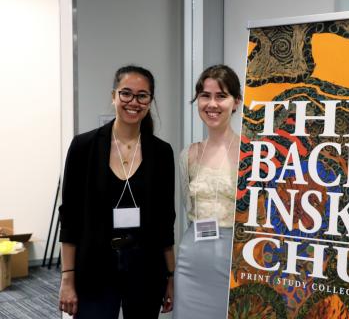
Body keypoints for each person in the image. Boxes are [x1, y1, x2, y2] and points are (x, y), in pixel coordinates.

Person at [58, 65, 176, 319]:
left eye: (142, 95)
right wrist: (67, 278)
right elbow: (70, 218)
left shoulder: (162, 152)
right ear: (114, 96)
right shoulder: (83, 147)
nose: (133, 102)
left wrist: (170, 276)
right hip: (95, 266)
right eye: (126, 93)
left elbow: (166, 221)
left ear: (150, 101)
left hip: (146, 268)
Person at [173, 64, 242, 319]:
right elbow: (188, 207)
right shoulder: (188, 155)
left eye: (221, 96)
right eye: (205, 95)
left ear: (235, 102)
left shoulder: (251, 153)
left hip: (236, 258)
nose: (212, 104)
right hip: (192, 259)